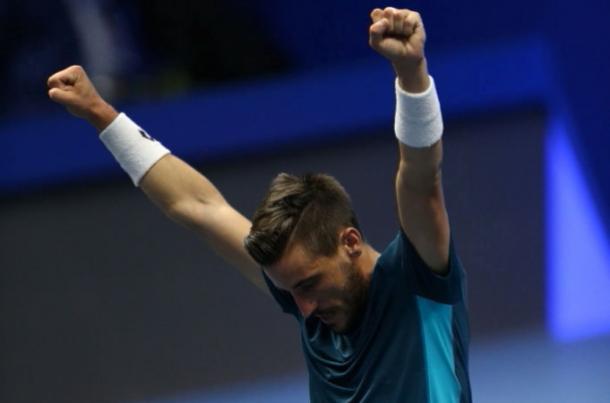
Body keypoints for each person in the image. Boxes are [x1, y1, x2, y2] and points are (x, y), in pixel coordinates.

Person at [48, 7, 471, 403]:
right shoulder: (306, 297)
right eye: (291, 291)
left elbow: (420, 177)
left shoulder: (416, 282)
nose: (302, 308)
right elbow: (197, 205)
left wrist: (410, 71)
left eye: (307, 285)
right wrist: (100, 113)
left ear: (350, 242)